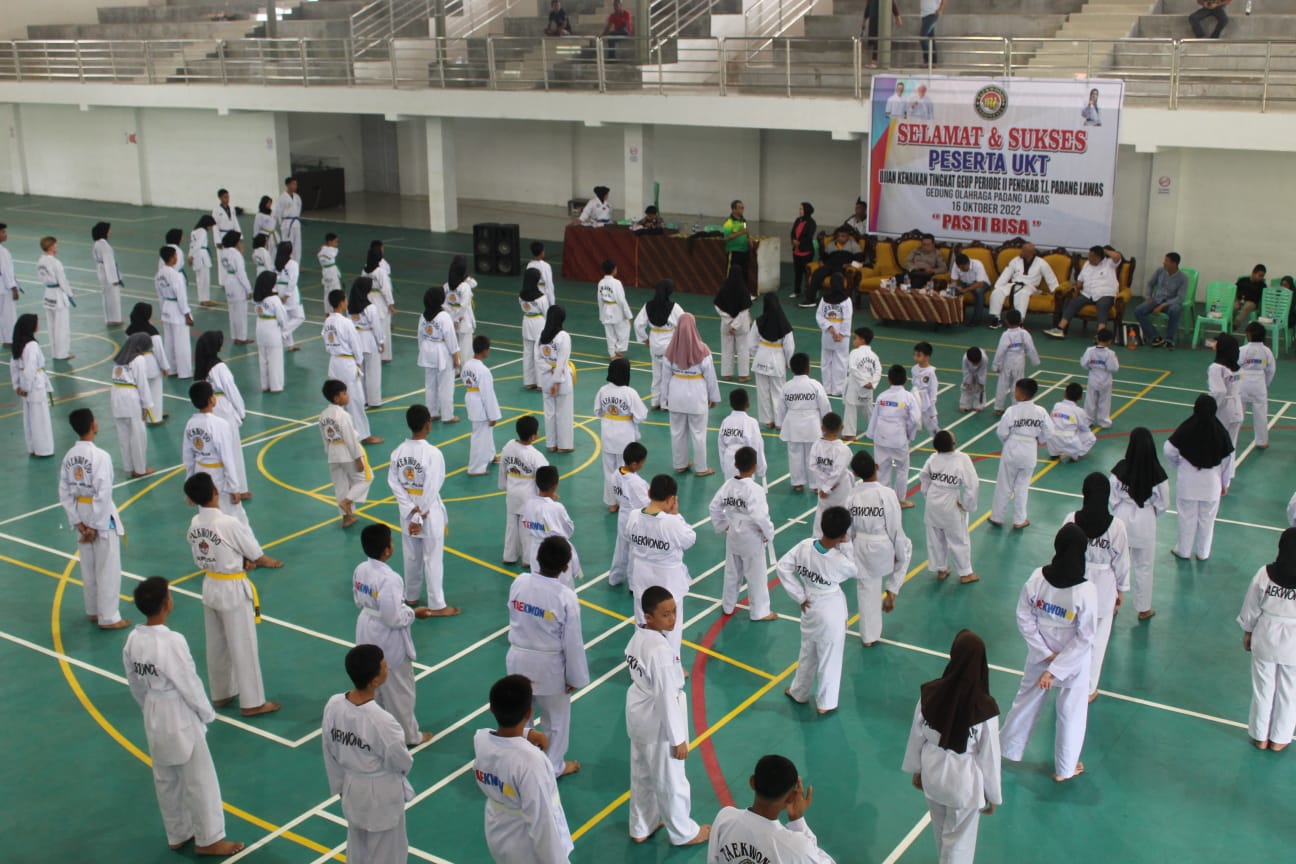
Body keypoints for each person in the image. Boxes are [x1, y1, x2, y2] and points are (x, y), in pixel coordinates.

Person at [122, 577, 242, 857]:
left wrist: (148, 707)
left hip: (152, 708)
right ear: (167, 603)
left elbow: (134, 681)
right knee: (199, 778)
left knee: (166, 776)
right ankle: (209, 838)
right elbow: (188, 682)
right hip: (177, 710)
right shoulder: (172, 641)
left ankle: (177, 833)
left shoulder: (133, 639)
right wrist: (205, 713)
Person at [999, 523, 1098, 782]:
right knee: (1071, 712)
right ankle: (1064, 769)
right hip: (1072, 659)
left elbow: (1024, 616)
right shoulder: (1085, 590)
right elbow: (1086, 636)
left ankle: (1007, 748)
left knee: (1025, 701)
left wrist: (1045, 655)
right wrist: (1058, 668)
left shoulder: (1037, 578)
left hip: (1040, 652)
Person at [183, 471, 282, 717]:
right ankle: (252, 702)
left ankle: (221, 692)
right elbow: (255, 554)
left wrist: (239, 560)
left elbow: (205, 554)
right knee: (243, 644)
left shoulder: (195, 524)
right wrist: (248, 562)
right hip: (232, 588)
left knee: (216, 643)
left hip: (210, 584)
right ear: (215, 491)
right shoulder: (228, 522)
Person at [902, 629, 1001, 864]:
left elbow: (916, 736)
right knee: (959, 844)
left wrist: (917, 770)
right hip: (963, 784)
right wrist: (993, 794)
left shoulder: (930, 694)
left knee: (941, 834)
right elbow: (990, 756)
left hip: (933, 775)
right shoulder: (985, 709)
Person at [625, 586, 710, 846]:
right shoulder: (660, 651)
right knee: (671, 780)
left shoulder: (638, 637)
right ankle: (684, 832)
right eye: (665, 614)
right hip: (658, 722)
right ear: (649, 616)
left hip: (638, 715)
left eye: (674, 612)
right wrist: (678, 739)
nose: (672, 618)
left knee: (642, 775)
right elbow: (664, 696)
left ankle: (641, 825)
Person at [322, 644, 416, 863]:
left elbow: (329, 750)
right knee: (389, 853)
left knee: (357, 850)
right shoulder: (382, 721)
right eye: (384, 666)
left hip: (352, 787)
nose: (388, 669)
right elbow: (401, 760)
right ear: (374, 680)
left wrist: (340, 787)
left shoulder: (334, 705)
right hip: (381, 793)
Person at [506, 536, 589, 777]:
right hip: (549, 666)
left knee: (521, 714)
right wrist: (575, 676)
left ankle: (522, 761)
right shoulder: (565, 597)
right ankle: (553, 767)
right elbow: (572, 642)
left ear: (537, 558)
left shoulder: (519, 583)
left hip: (517, 657)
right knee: (556, 720)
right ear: (566, 567)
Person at [473, 674, 575, 863]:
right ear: (529, 712)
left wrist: (527, 733)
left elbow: (499, 739)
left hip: (497, 830)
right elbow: (542, 823)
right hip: (526, 845)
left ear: (491, 709)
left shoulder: (480, 740)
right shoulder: (530, 762)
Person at [353, 526, 438, 749]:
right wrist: (413, 613)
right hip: (385, 635)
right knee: (399, 689)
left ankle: (377, 731)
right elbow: (393, 617)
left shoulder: (360, 569)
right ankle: (410, 736)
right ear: (387, 550)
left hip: (365, 626)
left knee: (375, 687)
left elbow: (357, 599)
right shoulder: (390, 579)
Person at [780, 507, 859, 713]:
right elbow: (854, 569)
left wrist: (799, 596)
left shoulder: (805, 545)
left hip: (809, 605)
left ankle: (799, 691)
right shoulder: (838, 560)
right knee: (830, 657)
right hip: (830, 608)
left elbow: (782, 567)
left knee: (808, 651)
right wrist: (848, 543)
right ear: (843, 534)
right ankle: (825, 703)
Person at [59, 408, 129, 630]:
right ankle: (108, 617)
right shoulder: (101, 457)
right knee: (107, 567)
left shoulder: (69, 456)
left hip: (81, 510)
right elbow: (103, 493)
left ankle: (92, 609)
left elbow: (64, 491)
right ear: (93, 425)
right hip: (100, 516)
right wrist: (96, 527)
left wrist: (78, 522)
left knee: (88, 566)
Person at [1064, 472, 1129, 701]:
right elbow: (1121, 561)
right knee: (1098, 639)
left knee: (1073, 633)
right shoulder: (1116, 526)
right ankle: (1089, 688)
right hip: (1103, 585)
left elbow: (1060, 550)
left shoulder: (1072, 519)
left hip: (1074, 580)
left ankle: (1068, 677)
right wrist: (1121, 589)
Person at [388, 404, 459, 614]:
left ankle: (411, 596)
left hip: (407, 514)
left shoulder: (397, 452)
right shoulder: (432, 454)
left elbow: (394, 484)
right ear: (428, 424)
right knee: (433, 558)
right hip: (428, 515)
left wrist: (409, 510)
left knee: (411, 556)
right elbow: (431, 488)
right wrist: (419, 517)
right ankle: (437, 604)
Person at [707, 754, 834, 863]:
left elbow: (713, 861)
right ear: (791, 796)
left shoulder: (725, 817)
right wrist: (797, 820)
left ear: (752, 782)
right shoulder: (797, 848)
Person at [1238, 529, 1296, 751]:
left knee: (1263, 687)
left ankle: (1260, 736)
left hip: (1266, 634)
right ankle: (1280, 738)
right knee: (1289, 690)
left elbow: (1251, 606)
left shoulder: (1266, 573)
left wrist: (1248, 630)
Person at [625, 475, 696, 656]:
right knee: (671, 625)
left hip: (641, 576)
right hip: (668, 580)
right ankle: (671, 668)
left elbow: (628, 537)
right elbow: (690, 539)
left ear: (649, 493)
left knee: (643, 621)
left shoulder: (634, 516)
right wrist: (676, 514)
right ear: (671, 499)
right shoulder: (670, 522)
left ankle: (642, 660)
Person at [847, 450, 912, 645]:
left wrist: (850, 551)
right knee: (906, 549)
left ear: (856, 474)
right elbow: (894, 527)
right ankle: (893, 588)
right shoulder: (887, 494)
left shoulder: (852, 495)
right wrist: (897, 550)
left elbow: (848, 529)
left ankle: (869, 636)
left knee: (866, 588)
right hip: (883, 545)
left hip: (860, 545)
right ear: (877, 466)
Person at [709, 445, 777, 620]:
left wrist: (723, 525)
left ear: (736, 465)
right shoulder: (755, 490)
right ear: (754, 466)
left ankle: (728, 605)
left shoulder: (728, 485)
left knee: (732, 572)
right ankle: (760, 612)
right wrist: (768, 534)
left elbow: (714, 507)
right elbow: (760, 517)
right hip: (751, 536)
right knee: (756, 576)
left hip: (733, 534)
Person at [1165, 394, 1235, 561]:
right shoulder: (1220, 431)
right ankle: (1203, 553)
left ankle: (1183, 550)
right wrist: (1225, 483)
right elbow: (1228, 459)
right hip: (1212, 483)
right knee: (1207, 520)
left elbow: (1169, 449)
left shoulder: (1187, 427)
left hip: (1188, 481)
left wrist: (1177, 464)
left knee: (1186, 517)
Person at [1111, 427, 1170, 621]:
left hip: (1122, 517)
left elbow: (1111, 496)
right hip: (1146, 519)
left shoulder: (1121, 468)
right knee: (1144, 565)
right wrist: (1151, 511)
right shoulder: (1157, 472)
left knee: (1116, 563)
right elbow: (1164, 502)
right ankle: (1144, 608)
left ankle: (1112, 603)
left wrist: (1119, 507)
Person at [991, 378, 1056, 529]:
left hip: (1012, 449)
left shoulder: (1012, 411)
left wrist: (1008, 443)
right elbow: (1050, 432)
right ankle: (1019, 520)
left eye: (1016, 390)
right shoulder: (1040, 411)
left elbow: (1001, 432)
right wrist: (1039, 439)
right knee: (1022, 486)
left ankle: (997, 517)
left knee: (1004, 485)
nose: (1014, 392)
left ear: (1022, 393)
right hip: (1029, 450)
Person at [183, 381, 249, 525]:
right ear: (211, 399)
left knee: (208, 515)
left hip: (200, 474)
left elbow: (188, 458)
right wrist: (234, 487)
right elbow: (227, 458)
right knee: (233, 517)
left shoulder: (190, 424)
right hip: (218, 476)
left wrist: (190, 487)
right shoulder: (220, 424)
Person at [661, 313, 720, 476]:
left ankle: (680, 464)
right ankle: (701, 468)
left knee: (677, 431)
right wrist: (713, 397)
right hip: (696, 395)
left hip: (676, 394)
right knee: (699, 433)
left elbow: (665, 378)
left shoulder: (670, 350)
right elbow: (710, 377)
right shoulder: (703, 350)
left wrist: (663, 399)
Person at [194, 331, 251, 497]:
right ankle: (239, 488)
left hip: (208, 409)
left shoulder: (202, 366)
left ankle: (219, 487)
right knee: (232, 449)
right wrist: (241, 412)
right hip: (223, 408)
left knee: (216, 451)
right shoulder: (219, 367)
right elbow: (231, 390)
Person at [920, 430, 979, 585]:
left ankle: (941, 568)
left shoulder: (933, 458)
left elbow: (924, 477)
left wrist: (928, 495)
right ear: (953, 443)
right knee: (959, 539)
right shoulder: (962, 459)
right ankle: (965, 573)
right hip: (950, 503)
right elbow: (972, 485)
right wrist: (967, 505)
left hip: (933, 503)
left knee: (935, 538)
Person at [323, 289, 378, 444]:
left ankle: (341, 433)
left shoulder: (328, 321)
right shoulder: (345, 322)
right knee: (355, 400)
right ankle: (363, 435)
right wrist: (358, 362)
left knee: (337, 400)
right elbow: (356, 345)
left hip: (334, 362)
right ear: (342, 302)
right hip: (347, 363)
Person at [594, 358, 647, 506]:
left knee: (609, 471)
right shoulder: (630, 393)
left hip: (607, 435)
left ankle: (611, 502)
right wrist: (628, 417)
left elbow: (597, 411)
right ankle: (626, 501)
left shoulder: (603, 390)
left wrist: (611, 416)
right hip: (625, 437)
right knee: (626, 472)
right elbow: (641, 415)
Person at [320, 379, 371, 528]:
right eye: (344, 393)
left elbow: (324, 439)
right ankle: (347, 502)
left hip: (332, 453)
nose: (347, 396)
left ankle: (347, 518)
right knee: (365, 479)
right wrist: (358, 458)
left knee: (340, 485)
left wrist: (329, 454)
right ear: (336, 398)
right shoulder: (343, 415)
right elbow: (350, 438)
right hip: (347, 452)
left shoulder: (323, 415)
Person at [867, 364, 920, 507]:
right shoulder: (908, 397)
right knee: (902, 469)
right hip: (898, 439)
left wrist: (871, 434)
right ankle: (899, 500)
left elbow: (874, 417)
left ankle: (883, 500)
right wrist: (909, 433)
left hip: (881, 437)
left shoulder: (882, 397)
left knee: (882, 469)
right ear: (906, 380)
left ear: (889, 380)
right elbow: (915, 419)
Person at [520, 467, 583, 587]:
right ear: (555, 486)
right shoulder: (556, 507)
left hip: (536, 552)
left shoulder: (529, 503)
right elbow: (569, 529)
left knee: (539, 585)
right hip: (556, 554)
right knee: (563, 588)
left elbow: (527, 523)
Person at [500, 416, 550, 565]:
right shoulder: (535, 455)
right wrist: (548, 495)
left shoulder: (508, 446)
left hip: (512, 492)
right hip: (528, 495)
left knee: (511, 525)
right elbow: (544, 477)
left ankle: (509, 556)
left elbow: (503, 467)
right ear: (534, 435)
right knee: (527, 528)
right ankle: (528, 559)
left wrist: (504, 485)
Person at [779, 353, 832, 493]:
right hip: (812, 425)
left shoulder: (787, 387)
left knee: (794, 453)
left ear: (791, 369)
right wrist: (827, 424)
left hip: (792, 424)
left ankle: (797, 482)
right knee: (814, 454)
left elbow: (781, 408)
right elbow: (825, 406)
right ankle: (815, 485)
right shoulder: (815, 385)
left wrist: (780, 423)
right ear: (808, 369)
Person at [1046, 245, 1124, 339]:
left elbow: (1117, 256)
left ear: (1098, 257)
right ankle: (1059, 329)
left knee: (1102, 306)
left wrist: (1104, 250)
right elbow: (1080, 281)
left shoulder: (1109, 263)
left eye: (1092, 256)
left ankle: (1100, 335)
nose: (1089, 258)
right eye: (1089, 255)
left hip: (1105, 294)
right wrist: (1074, 286)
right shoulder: (1087, 264)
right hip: (1088, 294)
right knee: (1073, 303)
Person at [634, 279, 684, 409]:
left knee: (657, 373)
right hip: (669, 342)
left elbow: (637, 324)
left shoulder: (648, 305)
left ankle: (655, 401)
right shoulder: (674, 307)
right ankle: (666, 403)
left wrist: (645, 339)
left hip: (654, 341)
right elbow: (685, 324)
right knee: (670, 373)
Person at [111, 334, 157, 475]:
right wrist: (146, 405)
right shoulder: (138, 360)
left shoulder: (119, 359)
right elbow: (142, 383)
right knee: (138, 436)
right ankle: (140, 469)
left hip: (116, 396)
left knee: (123, 436)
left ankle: (129, 467)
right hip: (131, 398)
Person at [749, 293, 795, 427]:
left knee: (762, 392)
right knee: (779, 391)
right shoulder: (785, 323)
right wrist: (788, 361)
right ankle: (780, 422)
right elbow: (789, 347)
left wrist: (757, 355)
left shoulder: (758, 321)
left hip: (761, 358)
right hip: (777, 359)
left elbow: (751, 344)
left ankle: (767, 421)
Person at [987, 243, 1059, 328]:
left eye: (1024, 251)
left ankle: (1019, 321)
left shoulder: (1041, 263)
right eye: (1022, 250)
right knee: (997, 292)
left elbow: (1050, 277)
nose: (1021, 252)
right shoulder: (1015, 260)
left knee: (1023, 294)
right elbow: (1006, 273)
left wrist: (1056, 291)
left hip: (1029, 286)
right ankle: (996, 318)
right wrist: (998, 285)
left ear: (1030, 253)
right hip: (1014, 284)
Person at [11, 315, 53, 457]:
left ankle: (33, 448)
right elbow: (30, 369)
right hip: (35, 385)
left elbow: (14, 366)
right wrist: (25, 387)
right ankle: (43, 449)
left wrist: (17, 385)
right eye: (36, 323)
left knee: (29, 418)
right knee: (40, 419)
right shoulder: (32, 345)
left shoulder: (19, 344)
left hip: (27, 384)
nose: (38, 325)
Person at [418, 286, 461, 424]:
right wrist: (456, 357)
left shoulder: (423, 316)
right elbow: (451, 338)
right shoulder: (444, 316)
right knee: (446, 385)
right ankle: (447, 415)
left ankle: (432, 412)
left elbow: (420, 336)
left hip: (427, 350)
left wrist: (423, 351)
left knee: (430, 384)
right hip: (442, 351)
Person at [611, 441, 650, 587]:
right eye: (641, 462)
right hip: (634, 519)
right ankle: (634, 585)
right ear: (634, 464)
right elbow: (646, 504)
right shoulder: (634, 482)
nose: (642, 465)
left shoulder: (616, 473)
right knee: (635, 551)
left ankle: (615, 577)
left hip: (623, 516)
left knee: (621, 548)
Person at [463, 334, 502, 477]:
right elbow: (488, 395)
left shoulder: (467, 365)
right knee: (480, 435)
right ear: (485, 351)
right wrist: (493, 415)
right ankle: (475, 468)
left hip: (471, 397)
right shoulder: (483, 371)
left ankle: (491, 456)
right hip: (480, 402)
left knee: (486, 432)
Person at [537, 305, 575, 453]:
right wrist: (556, 381)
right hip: (561, 379)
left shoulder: (542, 335)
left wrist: (548, 368)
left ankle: (551, 444)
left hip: (546, 377)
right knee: (563, 413)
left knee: (549, 413)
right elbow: (562, 361)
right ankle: (564, 446)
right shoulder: (563, 336)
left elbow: (537, 359)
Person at [809, 413, 853, 534]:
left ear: (822, 428)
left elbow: (813, 467)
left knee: (822, 515)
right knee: (842, 514)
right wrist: (828, 487)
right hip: (839, 489)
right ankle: (843, 542)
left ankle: (818, 542)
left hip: (823, 488)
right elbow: (837, 472)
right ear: (842, 427)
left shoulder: (816, 445)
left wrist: (824, 486)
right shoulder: (843, 450)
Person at [1134, 252, 1189, 348]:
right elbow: (1150, 284)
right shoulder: (1160, 271)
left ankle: (1169, 339)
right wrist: (1148, 295)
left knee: (1175, 310)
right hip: (1156, 300)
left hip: (1170, 304)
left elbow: (1180, 298)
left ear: (1174, 264)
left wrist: (1162, 306)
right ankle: (1155, 336)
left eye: (1166, 261)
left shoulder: (1183, 278)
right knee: (1138, 310)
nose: (1163, 263)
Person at [126, 303, 170, 423]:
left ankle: (146, 414)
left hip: (134, 362)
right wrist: (165, 367)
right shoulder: (152, 332)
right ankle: (154, 417)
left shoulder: (130, 330)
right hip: (150, 363)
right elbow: (159, 351)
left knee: (141, 390)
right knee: (154, 389)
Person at [990, 309, 1039, 413]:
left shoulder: (1006, 335)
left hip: (1007, 362)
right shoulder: (1024, 333)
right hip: (1019, 362)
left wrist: (996, 365)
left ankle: (999, 408)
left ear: (1006, 321)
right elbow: (1031, 348)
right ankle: (1016, 407)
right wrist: (1034, 360)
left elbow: (1000, 351)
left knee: (1002, 385)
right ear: (1021, 320)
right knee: (1017, 385)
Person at [155, 245, 193, 377]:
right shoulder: (176, 275)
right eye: (176, 255)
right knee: (182, 342)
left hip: (166, 308)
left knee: (169, 341)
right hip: (177, 310)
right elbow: (181, 297)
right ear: (172, 258)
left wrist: (163, 309)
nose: (177, 257)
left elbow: (159, 295)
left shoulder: (159, 274)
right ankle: (184, 372)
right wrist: (187, 314)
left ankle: (171, 369)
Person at [36, 235, 75, 361]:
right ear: (51, 246)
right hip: (58, 295)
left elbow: (40, 277)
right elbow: (62, 280)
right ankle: (62, 353)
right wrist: (70, 294)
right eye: (55, 245)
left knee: (51, 325)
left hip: (48, 293)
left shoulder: (40, 261)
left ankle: (54, 352)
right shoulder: (55, 262)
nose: (57, 247)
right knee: (61, 326)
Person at [1240, 321, 1277, 448]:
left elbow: (1235, 366)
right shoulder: (1267, 351)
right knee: (1260, 413)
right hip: (1259, 382)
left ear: (1248, 335)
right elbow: (1271, 370)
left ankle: (1229, 438)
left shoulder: (1242, 350)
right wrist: (1265, 384)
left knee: (1237, 412)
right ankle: (1262, 442)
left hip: (1243, 381)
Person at [350, 277, 385, 409]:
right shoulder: (370, 308)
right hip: (369, 339)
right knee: (373, 371)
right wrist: (381, 342)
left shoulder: (350, 306)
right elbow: (376, 327)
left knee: (360, 372)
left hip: (356, 339)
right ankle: (374, 400)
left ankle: (362, 399)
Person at [718, 387, 766, 482]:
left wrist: (724, 465)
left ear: (730, 404)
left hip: (728, 460)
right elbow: (757, 446)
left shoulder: (726, 421)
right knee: (746, 488)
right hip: (746, 461)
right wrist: (761, 469)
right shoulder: (751, 422)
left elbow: (721, 446)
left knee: (730, 487)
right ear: (747, 404)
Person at [816, 275, 853, 397]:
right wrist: (841, 333)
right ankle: (838, 389)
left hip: (828, 333)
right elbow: (847, 318)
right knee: (841, 362)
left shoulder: (824, 299)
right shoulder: (846, 300)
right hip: (841, 335)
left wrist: (829, 327)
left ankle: (826, 388)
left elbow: (819, 316)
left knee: (826, 362)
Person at [714, 268, 753, 381]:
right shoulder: (744, 291)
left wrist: (729, 321)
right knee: (743, 349)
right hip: (742, 326)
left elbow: (718, 306)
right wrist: (735, 325)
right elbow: (744, 310)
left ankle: (727, 374)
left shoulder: (723, 290)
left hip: (726, 326)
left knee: (726, 349)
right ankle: (743, 375)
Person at [253, 271, 288, 393]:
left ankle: (265, 385)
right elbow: (282, 317)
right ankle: (276, 386)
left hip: (260, 327)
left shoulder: (257, 297)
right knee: (275, 358)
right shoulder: (274, 299)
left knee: (263, 359)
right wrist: (284, 330)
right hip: (272, 329)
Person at [843, 326, 881, 440]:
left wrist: (864, 382)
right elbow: (878, 371)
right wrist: (872, 384)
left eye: (856, 338)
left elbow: (853, 368)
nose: (854, 341)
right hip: (868, 387)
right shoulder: (874, 355)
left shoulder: (855, 352)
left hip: (856, 385)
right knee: (868, 409)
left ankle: (850, 433)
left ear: (862, 340)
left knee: (851, 407)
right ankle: (876, 430)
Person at [1208, 333, 1245, 446]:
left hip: (1223, 410)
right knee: (1230, 447)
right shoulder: (1238, 368)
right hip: (1237, 408)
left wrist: (1210, 410)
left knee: (1217, 446)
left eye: (1217, 342)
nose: (1213, 344)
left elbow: (1219, 391)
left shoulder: (1215, 368)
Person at [519, 268, 551, 391]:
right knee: (540, 353)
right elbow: (547, 313)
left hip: (526, 322)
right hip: (539, 323)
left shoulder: (521, 296)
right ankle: (541, 383)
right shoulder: (541, 298)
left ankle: (529, 381)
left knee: (528, 353)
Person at [218, 232, 252, 344]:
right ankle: (242, 337)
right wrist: (249, 289)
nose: (241, 243)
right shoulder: (236, 254)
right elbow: (241, 273)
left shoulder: (223, 252)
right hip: (237, 283)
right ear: (235, 242)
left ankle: (235, 336)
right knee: (241, 311)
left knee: (232, 311)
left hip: (228, 281)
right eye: (239, 241)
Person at [1048, 382, 1096, 462]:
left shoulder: (1056, 406)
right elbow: (1084, 428)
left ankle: (1054, 453)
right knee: (1091, 437)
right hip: (1068, 441)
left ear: (1065, 394)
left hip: (1053, 442)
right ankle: (1075, 454)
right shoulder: (1079, 411)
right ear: (1080, 397)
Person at [364, 246, 396, 364]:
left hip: (368, 300)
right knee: (384, 328)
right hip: (380, 301)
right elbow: (386, 289)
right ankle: (384, 356)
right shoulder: (380, 272)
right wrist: (391, 304)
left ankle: (373, 352)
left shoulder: (365, 270)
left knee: (371, 327)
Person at [598, 259, 633, 359]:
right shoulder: (616, 283)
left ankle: (612, 354)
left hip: (606, 309)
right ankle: (618, 350)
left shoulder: (601, 282)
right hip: (616, 310)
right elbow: (621, 300)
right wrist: (628, 315)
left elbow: (599, 299)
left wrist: (601, 315)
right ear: (614, 270)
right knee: (625, 329)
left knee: (610, 333)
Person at [273, 241, 305, 351]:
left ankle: (290, 344)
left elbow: (275, 278)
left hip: (279, 289)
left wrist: (276, 292)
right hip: (289, 292)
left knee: (287, 317)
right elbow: (293, 281)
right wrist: (287, 295)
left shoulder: (277, 263)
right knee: (299, 317)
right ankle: (282, 333)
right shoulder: (293, 264)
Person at [91, 221, 124, 325]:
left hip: (101, 271)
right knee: (113, 296)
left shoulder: (97, 243)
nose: (110, 232)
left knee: (106, 296)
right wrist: (114, 279)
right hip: (107, 272)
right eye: (108, 230)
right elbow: (109, 263)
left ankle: (109, 319)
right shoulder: (104, 245)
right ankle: (115, 319)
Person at [947, 252, 991, 326]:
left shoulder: (977, 264)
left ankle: (976, 320)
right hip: (965, 282)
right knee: (950, 291)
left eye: (963, 267)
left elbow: (980, 283)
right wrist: (956, 287)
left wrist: (965, 290)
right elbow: (953, 280)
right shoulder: (956, 265)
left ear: (968, 263)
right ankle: (953, 317)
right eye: (960, 268)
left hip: (981, 283)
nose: (961, 269)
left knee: (978, 291)